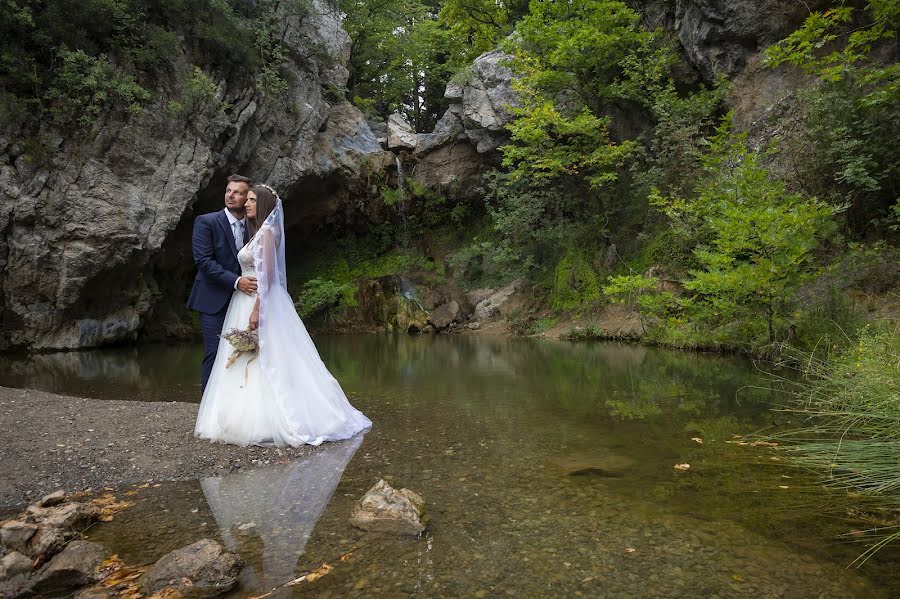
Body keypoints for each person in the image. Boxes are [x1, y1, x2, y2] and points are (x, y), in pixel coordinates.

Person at [194, 184, 371, 447]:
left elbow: (267, 277)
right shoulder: (259, 232)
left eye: (252, 200)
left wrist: (256, 311)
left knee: (263, 357)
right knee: (247, 358)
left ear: (263, 204)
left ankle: (266, 419)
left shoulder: (266, 232)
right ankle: (238, 416)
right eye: (247, 199)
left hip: (254, 301)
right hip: (241, 299)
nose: (246, 204)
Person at [187, 174, 258, 393]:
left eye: (237, 192)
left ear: (247, 198)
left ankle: (236, 404)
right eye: (228, 190)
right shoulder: (206, 221)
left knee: (246, 351)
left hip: (244, 302)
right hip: (213, 299)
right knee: (215, 353)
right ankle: (207, 410)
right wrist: (237, 281)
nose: (231, 195)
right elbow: (203, 261)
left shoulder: (255, 226)